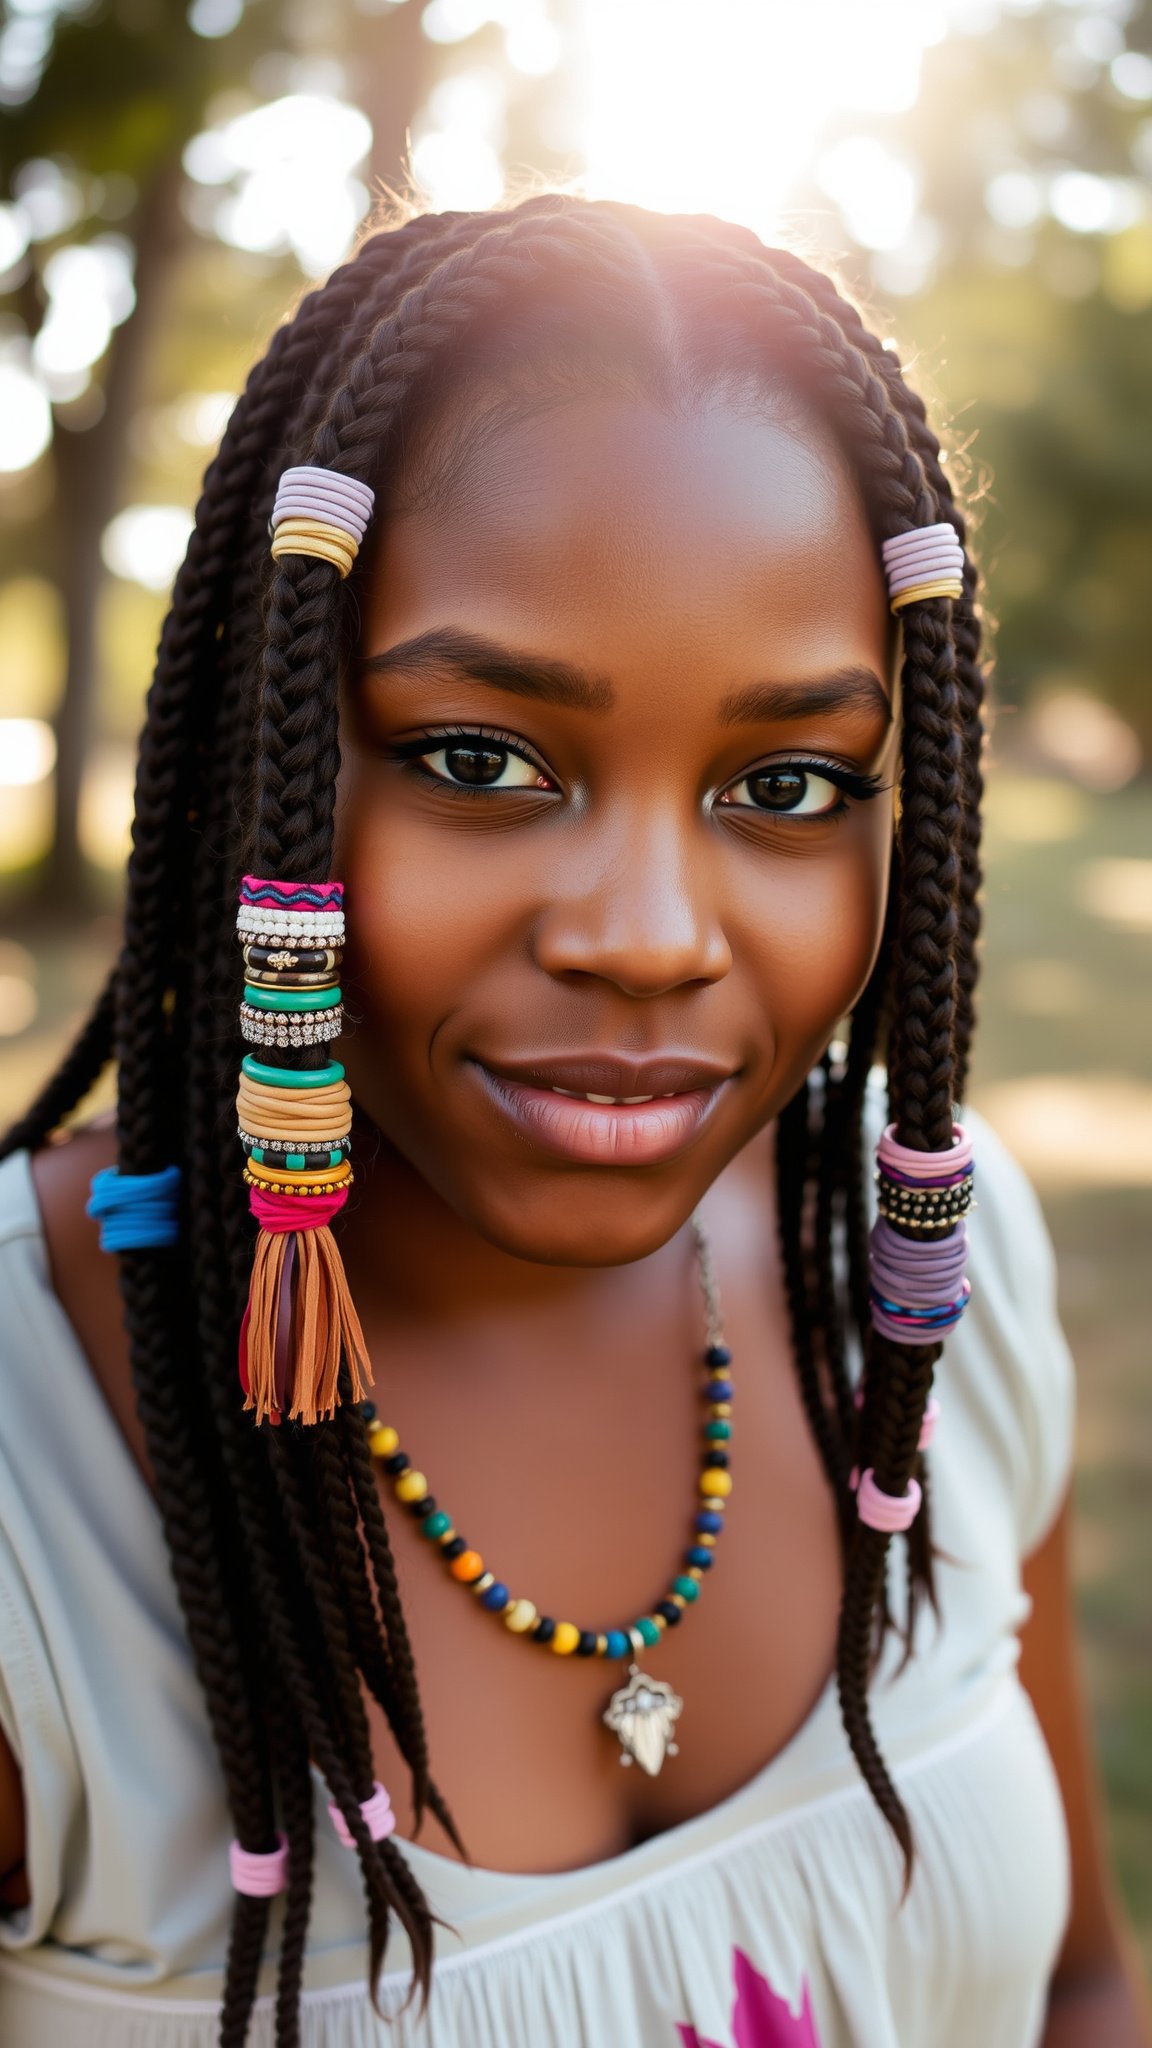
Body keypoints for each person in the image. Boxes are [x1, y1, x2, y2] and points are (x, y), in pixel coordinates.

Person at [0, 195, 1146, 2048]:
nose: (650, 936)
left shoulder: (928, 1270)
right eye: (480, 760)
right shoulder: (24, 1467)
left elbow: (1083, 1984)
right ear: (260, 767)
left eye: (788, 783)